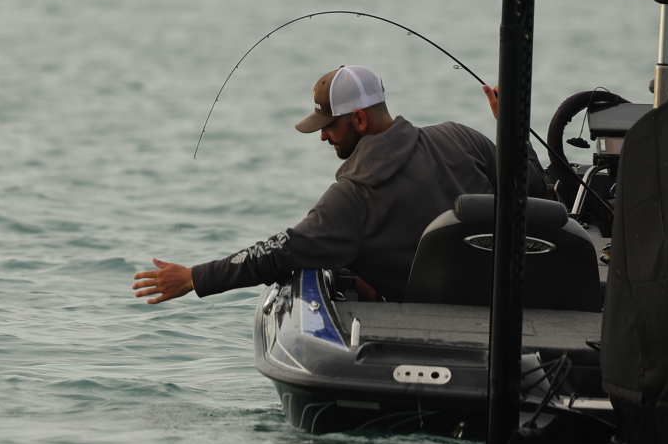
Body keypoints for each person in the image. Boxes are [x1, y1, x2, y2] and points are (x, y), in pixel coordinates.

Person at [133, 66, 546, 304]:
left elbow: (278, 252)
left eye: (328, 126)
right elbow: (534, 188)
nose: (322, 137)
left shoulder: (351, 199)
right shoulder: (461, 137)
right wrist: (511, 124)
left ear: (359, 120)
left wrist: (195, 277)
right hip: (513, 301)